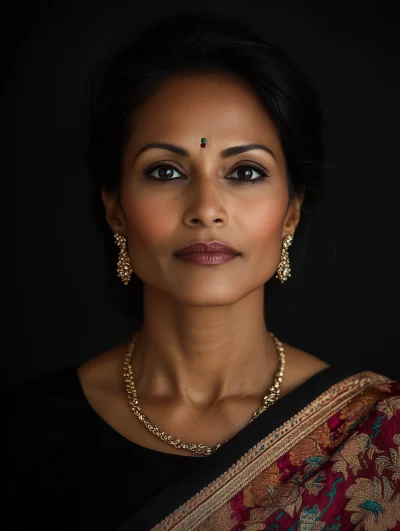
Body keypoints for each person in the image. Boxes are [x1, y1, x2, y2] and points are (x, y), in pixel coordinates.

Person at [6, 8, 400, 531]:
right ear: (115, 207)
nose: (206, 208)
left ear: (291, 210)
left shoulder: (375, 434)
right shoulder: (22, 434)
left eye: (245, 172)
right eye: (165, 171)